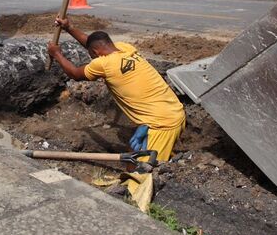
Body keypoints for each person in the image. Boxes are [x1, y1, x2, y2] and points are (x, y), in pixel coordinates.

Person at [46, 17, 186, 162]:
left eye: (92, 56)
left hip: (162, 124)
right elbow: (93, 44)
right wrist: (69, 28)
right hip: (174, 110)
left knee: (144, 172)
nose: (93, 59)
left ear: (96, 53)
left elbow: (75, 74)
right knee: (133, 154)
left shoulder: (103, 64)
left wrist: (56, 54)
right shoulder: (125, 48)